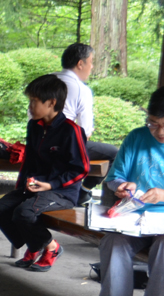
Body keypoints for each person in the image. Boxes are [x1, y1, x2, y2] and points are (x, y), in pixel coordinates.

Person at [0, 74, 89, 272]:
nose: (30, 106)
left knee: (23, 213)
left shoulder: (71, 131)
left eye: (34, 101)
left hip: (62, 192)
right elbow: (29, 160)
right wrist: (23, 185)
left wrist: (51, 185)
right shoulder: (34, 126)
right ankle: (36, 245)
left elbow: (82, 169)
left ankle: (51, 247)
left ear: (51, 103)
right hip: (36, 187)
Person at [96, 87, 164, 296]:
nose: (159, 132)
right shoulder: (136, 137)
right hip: (132, 216)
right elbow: (115, 177)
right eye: (153, 124)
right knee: (114, 242)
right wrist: (121, 186)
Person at [56, 43, 119, 204]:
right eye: (91, 63)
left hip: (36, 144)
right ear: (80, 63)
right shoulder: (81, 89)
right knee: (115, 153)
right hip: (61, 148)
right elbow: (84, 132)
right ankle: (84, 192)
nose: (91, 68)